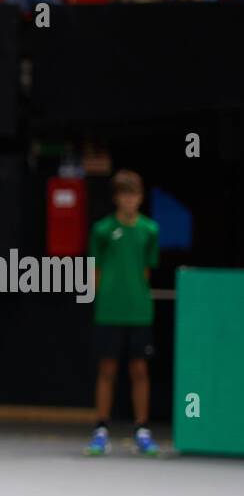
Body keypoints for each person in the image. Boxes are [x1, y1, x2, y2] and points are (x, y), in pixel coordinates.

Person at [86, 169, 160, 457]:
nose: (129, 200)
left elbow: (146, 270)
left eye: (134, 195)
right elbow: (97, 270)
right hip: (109, 312)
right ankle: (101, 429)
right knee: (107, 369)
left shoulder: (150, 230)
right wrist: (102, 297)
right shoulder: (102, 230)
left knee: (140, 370)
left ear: (140, 198)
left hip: (139, 311)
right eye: (124, 195)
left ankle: (142, 430)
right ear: (116, 198)